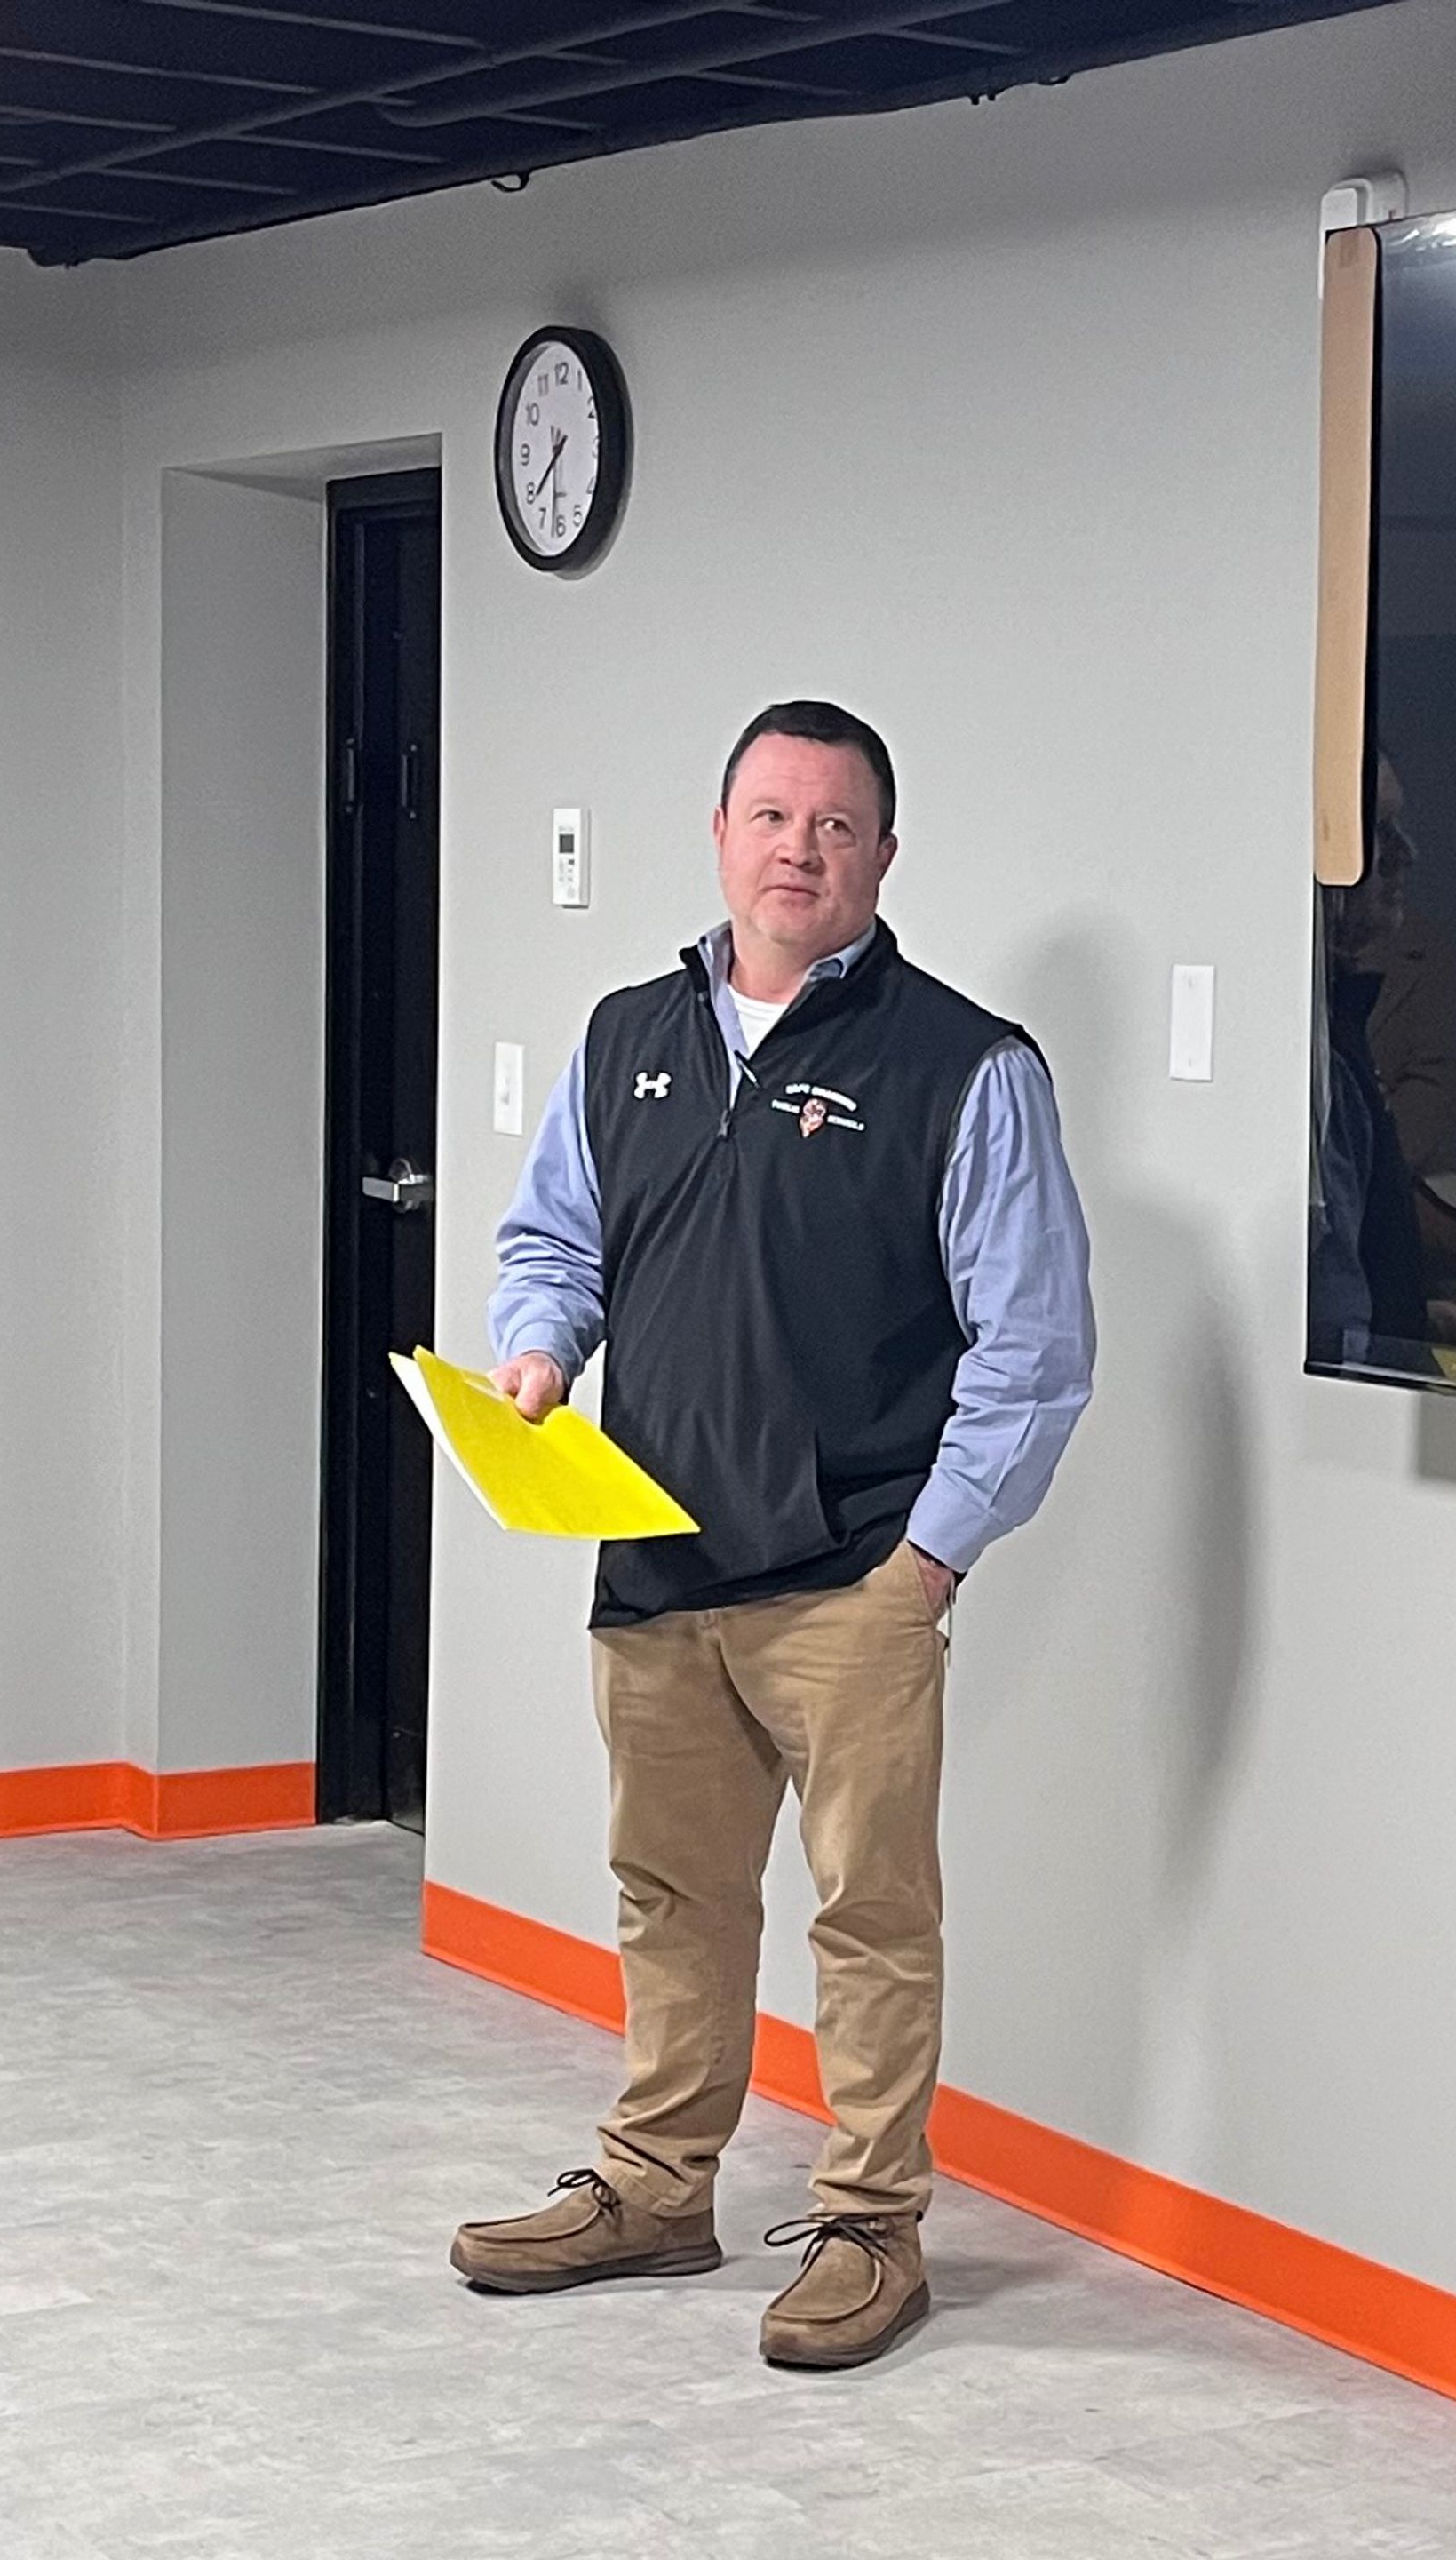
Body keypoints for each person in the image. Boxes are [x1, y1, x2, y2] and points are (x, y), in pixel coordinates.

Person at [450, 699, 1095, 2373]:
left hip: (855, 1576)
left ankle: (873, 2226)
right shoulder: (626, 1036)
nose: (798, 848)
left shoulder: (969, 1066)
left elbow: (1033, 1349)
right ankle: (659, 2185)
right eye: (770, 815)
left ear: (884, 855)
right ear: (720, 834)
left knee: (870, 1915)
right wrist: (536, 1350)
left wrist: (928, 1562)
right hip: (652, 1556)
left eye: (835, 824)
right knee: (672, 1894)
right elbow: (556, 1240)